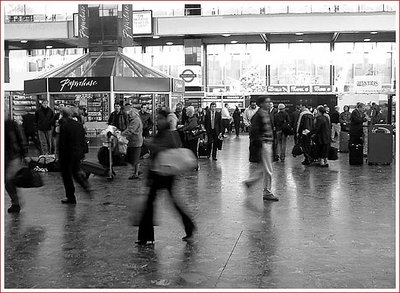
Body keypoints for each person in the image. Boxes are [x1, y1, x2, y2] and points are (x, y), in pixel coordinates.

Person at [136, 110, 196, 245]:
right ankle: (189, 227)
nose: (157, 121)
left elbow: (166, 150)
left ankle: (145, 237)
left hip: (163, 173)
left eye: (159, 119)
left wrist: (149, 144)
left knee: (151, 203)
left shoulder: (169, 133)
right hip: (161, 172)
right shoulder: (165, 132)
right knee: (165, 202)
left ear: (166, 119)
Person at [243, 96, 278, 201]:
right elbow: (254, 131)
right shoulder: (258, 115)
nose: (269, 103)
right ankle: (267, 191)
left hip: (268, 143)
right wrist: (260, 144)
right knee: (268, 169)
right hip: (264, 144)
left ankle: (250, 182)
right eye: (267, 102)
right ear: (261, 104)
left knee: (263, 167)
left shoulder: (266, 114)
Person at [59, 107, 92, 204]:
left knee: (66, 176)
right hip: (77, 153)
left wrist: (59, 156)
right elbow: (83, 140)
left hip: (67, 154)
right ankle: (86, 186)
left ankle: (71, 197)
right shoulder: (78, 125)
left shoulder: (64, 126)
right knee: (75, 173)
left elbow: (62, 143)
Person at [5, 116, 26, 213]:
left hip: (12, 156)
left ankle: (16, 203)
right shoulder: (12, 124)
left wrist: (23, 153)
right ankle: (15, 202)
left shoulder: (11, 124)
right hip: (10, 155)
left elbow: (20, 138)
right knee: (8, 180)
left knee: (9, 180)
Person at [122, 109, 143, 180]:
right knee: (133, 158)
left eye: (130, 114)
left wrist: (122, 134)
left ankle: (136, 173)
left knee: (135, 158)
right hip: (133, 141)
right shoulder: (135, 120)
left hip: (135, 141)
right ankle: (137, 170)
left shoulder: (136, 121)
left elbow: (130, 130)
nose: (129, 116)